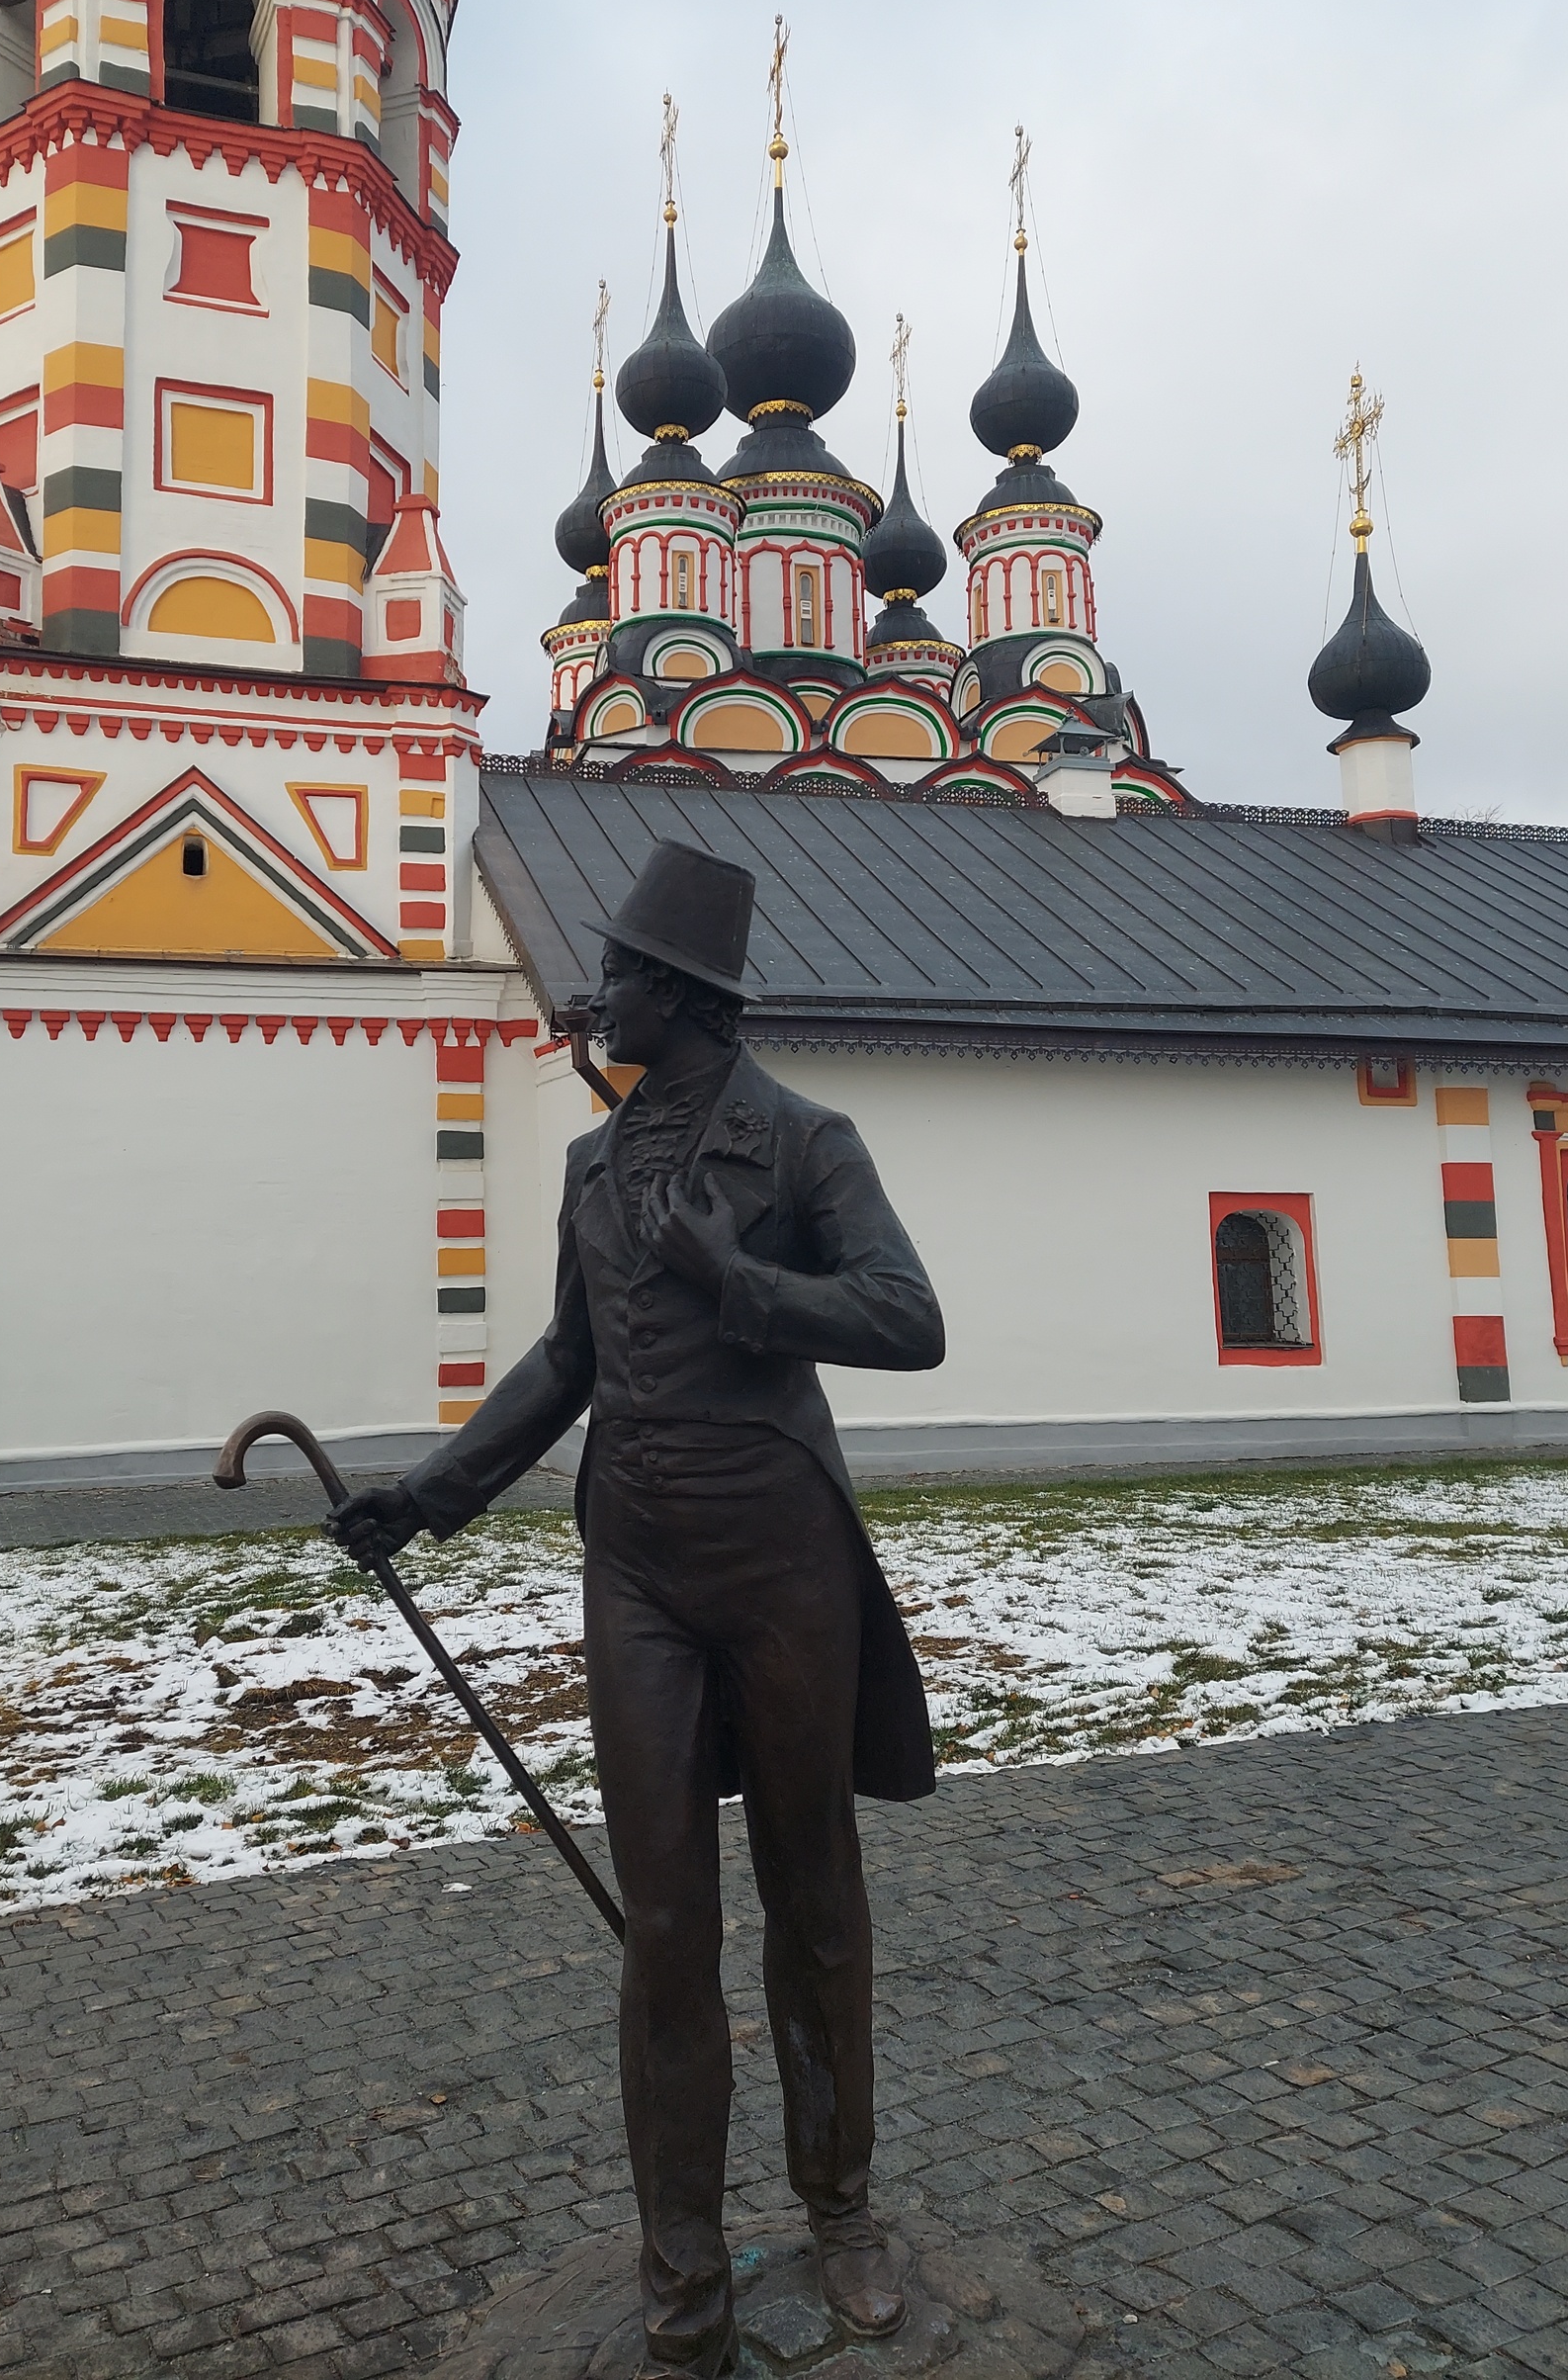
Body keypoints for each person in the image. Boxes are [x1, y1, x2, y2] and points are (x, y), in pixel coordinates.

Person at [331, 837, 944, 2376]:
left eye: (614, 976)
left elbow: (906, 1319)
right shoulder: (591, 1165)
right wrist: (430, 1493)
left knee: (810, 1891)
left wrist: (740, 1281)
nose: (592, 997)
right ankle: (681, 2272)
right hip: (641, 1563)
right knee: (664, 1919)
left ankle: (842, 2206)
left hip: (783, 1548)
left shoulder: (808, 1143)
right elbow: (563, 1362)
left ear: (674, 994)